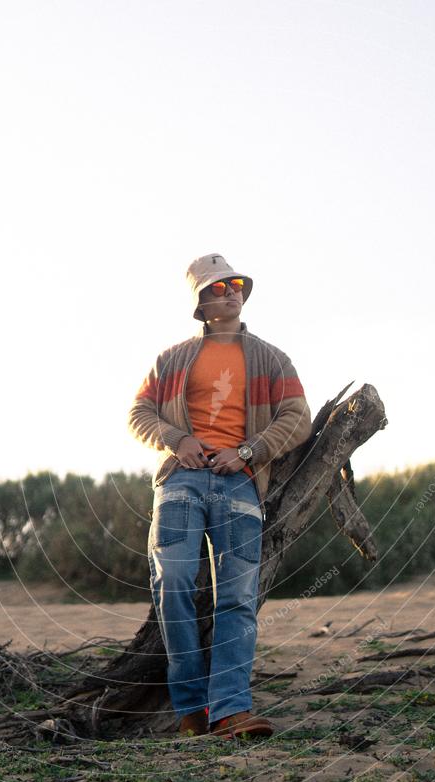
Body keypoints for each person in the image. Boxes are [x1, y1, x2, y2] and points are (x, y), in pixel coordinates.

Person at [127, 253, 312, 739]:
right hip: (181, 480)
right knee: (175, 584)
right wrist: (178, 440)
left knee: (236, 597)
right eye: (218, 286)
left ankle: (230, 711)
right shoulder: (171, 360)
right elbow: (138, 414)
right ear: (201, 302)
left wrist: (249, 450)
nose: (231, 290)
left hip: (240, 481)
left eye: (235, 283)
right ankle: (191, 708)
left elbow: (298, 416)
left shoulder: (272, 358)